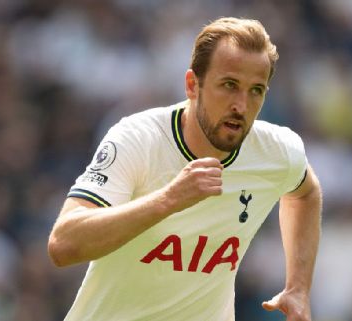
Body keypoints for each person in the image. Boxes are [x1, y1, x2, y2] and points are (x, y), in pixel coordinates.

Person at [48, 17, 322, 321]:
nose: (241, 106)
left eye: (256, 90)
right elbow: (64, 244)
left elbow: (305, 193)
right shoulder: (139, 139)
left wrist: (298, 287)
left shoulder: (276, 151)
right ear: (193, 85)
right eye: (229, 85)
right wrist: (168, 200)